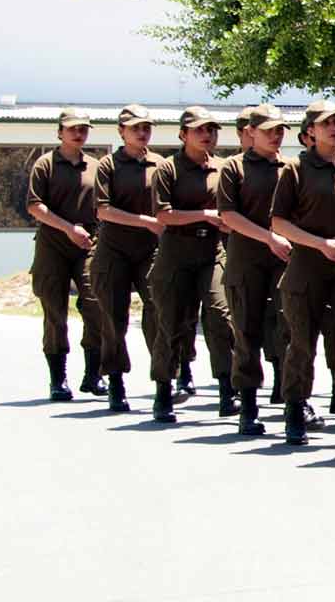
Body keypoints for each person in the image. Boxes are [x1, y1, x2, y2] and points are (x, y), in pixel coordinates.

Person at [144, 107, 235, 424]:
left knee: (221, 317)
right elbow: (164, 216)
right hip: (176, 252)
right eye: (199, 130)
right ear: (183, 135)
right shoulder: (168, 169)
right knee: (171, 322)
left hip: (212, 251)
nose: (207, 135)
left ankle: (228, 390)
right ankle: (164, 392)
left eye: (211, 129)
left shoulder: (223, 168)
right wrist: (205, 216)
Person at [270, 101, 335, 443]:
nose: (334, 128)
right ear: (310, 132)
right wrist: (320, 244)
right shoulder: (295, 168)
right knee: (302, 341)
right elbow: (278, 222)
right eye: (326, 123)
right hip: (307, 263)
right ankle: (295, 408)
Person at [218, 104, 293, 436]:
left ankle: (293, 399)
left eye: (280, 131)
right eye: (269, 131)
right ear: (250, 132)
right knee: (246, 331)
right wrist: (268, 237)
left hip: (285, 259)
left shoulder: (290, 168)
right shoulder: (234, 168)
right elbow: (228, 216)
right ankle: (248, 406)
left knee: (289, 327)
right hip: (247, 257)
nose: (276, 136)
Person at [25, 107, 107, 402]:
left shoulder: (97, 166)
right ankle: (58, 380)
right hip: (53, 244)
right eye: (72, 128)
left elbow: (105, 206)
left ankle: (93, 374)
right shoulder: (45, 164)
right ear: (60, 132)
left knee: (96, 304)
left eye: (83, 128)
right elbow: (35, 206)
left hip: (88, 243)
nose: (78, 133)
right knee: (55, 312)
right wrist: (68, 228)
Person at [90, 105, 163, 412]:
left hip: (151, 250)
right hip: (115, 249)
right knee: (113, 317)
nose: (142, 133)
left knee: (159, 311)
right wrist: (146, 221)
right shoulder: (108, 165)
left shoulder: (160, 164)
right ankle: (116, 382)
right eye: (135, 128)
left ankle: (165, 382)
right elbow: (103, 210)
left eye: (146, 127)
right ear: (121, 131)